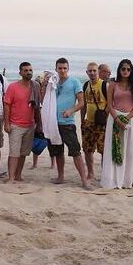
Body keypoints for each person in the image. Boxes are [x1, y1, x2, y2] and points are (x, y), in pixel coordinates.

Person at [42, 57, 90, 189]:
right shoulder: (53, 81)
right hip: (53, 122)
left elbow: (81, 103)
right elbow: (44, 100)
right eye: (59, 68)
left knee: (75, 151)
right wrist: (45, 84)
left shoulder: (74, 81)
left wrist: (71, 110)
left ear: (68, 69)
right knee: (58, 151)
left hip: (67, 123)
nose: (62, 70)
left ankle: (84, 180)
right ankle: (60, 176)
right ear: (56, 69)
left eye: (64, 68)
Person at [101, 59, 133, 189]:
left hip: (131, 119)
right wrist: (117, 119)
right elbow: (109, 104)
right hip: (114, 118)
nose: (125, 71)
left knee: (129, 149)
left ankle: (126, 180)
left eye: (128, 69)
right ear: (119, 70)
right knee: (114, 148)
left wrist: (127, 118)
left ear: (131, 71)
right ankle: (113, 179)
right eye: (123, 69)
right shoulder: (113, 84)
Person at [3, 62, 42, 182]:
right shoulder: (13, 87)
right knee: (14, 153)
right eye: (25, 70)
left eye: (30, 70)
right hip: (15, 125)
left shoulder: (35, 86)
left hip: (30, 125)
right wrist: (7, 123)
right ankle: (11, 178)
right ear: (20, 72)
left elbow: (38, 107)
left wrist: (39, 124)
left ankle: (18, 175)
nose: (28, 72)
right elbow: (6, 105)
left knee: (23, 153)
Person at [80, 62, 107, 180]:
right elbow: (84, 104)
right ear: (87, 72)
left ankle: (105, 173)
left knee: (103, 150)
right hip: (88, 122)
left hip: (101, 123)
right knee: (87, 149)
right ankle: (90, 173)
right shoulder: (85, 85)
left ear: (98, 72)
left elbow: (110, 104)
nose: (92, 73)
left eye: (94, 71)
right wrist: (82, 120)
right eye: (90, 71)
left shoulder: (104, 85)